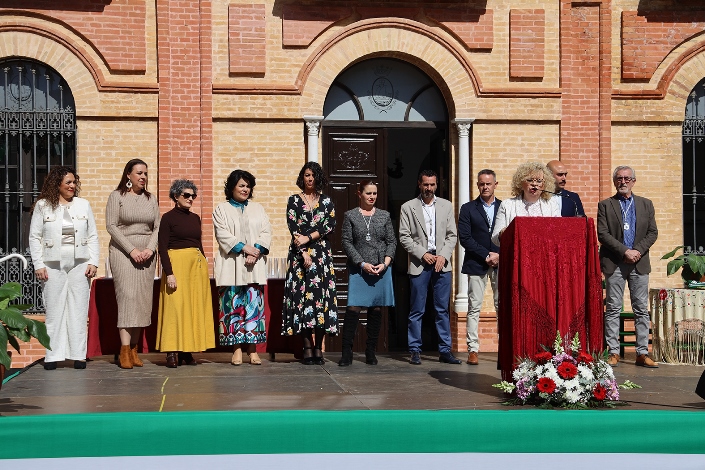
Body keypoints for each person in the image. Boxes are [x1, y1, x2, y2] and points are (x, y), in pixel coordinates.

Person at [29, 166, 99, 370]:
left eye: (74, 182)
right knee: (54, 310)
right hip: (52, 264)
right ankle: (53, 356)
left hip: (80, 264)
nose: (72, 186)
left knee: (78, 310)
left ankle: (78, 355)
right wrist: (38, 264)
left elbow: (93, 235)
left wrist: (93, 262)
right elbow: (35, 237)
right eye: (68, 182)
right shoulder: (43, 206)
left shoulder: (83, 205)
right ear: (56, 184)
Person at [597, 166, 659, 368]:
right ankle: (613, 352)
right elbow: (603, 234)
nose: (623, 181)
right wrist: (625, 251)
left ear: (633, 181)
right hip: (615, 262)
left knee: (641, 308)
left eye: (627, 178)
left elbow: (652, 232)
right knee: (613, 307)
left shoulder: (646, 204)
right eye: (619, 178)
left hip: (639, 262)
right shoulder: (606, 205)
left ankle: (642, 353)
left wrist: (637, 251)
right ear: (615, 181)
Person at [399, 170, 459, 365]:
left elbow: (452, 235)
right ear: (419, 184)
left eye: (432, 185)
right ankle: (415, 350)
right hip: (420, 262)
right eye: (425, 184)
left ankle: (445, 350)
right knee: (417, 308)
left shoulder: (446, 206)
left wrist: (443, 255)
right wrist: (422, 253)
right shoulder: (408, 207)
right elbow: (404, 236)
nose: (429, 188)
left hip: (442, 262)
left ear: (436, 185)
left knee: (442, 309)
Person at [282, 162, 338, 365]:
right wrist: (303, 250)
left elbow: (329, 225)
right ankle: (306, 346)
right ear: (302, 177)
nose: (310, 179)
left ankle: (318, 347)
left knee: (321, 301)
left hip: (322, 255)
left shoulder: (327, 201)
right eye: (306, 175)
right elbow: (293, 226)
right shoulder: (294, 200)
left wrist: (309, 238)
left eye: (313, 175)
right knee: (302, 301)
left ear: (319, 178)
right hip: (299, 256)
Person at [106, 159, 160, 369]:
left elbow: (157, 227)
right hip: (123, 253)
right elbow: (111, 226)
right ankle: (124, 350)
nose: (143, 177)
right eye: (139, 173)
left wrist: (149, 249)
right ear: (128, 175)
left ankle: (135, 349)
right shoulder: (116, 196)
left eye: (145, 173)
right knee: (127, 298)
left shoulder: (150, 199)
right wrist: (132, 250)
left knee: (142, 300)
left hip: (146, 255)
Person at [213, 170, 272, 366]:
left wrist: (255, 251)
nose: (245, 189)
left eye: (248, 186)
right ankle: (236, 349)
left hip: (253, 266)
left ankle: (253, 350)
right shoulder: (221, 209)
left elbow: (266, 231)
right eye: (241, 185)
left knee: (253, 308)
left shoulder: (258, 209)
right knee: (232, 308)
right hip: (231, 266)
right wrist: (244, 247)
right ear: (232, 187)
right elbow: (223, 235)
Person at [156, 180, 215, 368]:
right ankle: (171, 351)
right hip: (177, 266)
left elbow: (199, 244)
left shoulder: (195, 218)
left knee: (191, 308)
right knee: (175, 307)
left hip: (195, 268)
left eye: (193, 196)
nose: (191, 199)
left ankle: (186, 350)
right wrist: (169, 273)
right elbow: (162, 248)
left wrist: (204, 263)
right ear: (176, 196)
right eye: (186, 195)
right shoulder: (167, 218)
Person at [338, 180, 396, 367]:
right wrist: (361, 263)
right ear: (359, 194)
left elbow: (391, 241)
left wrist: (385, 263)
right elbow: (346, 242)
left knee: (376, 308)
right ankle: (346, 352)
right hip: (359, 268)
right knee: (353, 308)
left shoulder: (385, 216)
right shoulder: (351, 216)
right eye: (368, 193)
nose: (372, 197)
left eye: (375, 193)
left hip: (381, 268)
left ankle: (370, 351)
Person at [458, 169, 501, 365]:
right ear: (477, 185)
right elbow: (465, 238)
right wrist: (486, 255)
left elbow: (509, 234)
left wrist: (498, 255)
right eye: (482, 184)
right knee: (474, 307)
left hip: (501, 263)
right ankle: (473, 349)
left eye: (488, 183)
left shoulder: (504, 207)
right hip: (477, 262)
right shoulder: (468, 208)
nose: (485, 187)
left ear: (495, 185)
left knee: (502, 306)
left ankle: (504, 347)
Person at [491, 162, 560, 246]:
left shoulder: (552, 205)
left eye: (539, 181)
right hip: (517, 254)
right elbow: (495, 239)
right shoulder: (507, 205)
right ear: (521, 183)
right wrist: (503, 233)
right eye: (530, 180)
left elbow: (558, 232)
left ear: (545, 184)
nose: (534, 184)